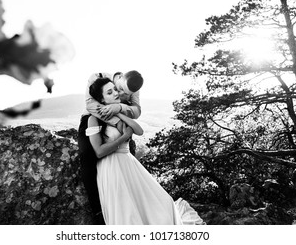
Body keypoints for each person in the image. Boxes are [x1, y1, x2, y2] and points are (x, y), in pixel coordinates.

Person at [86, 77, 204, 225]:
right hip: (112, 168)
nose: (116, 93)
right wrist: (124, 138)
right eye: (109, 92)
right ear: (101, 99)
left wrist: (119, 112)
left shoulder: (119, 114)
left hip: (128, 164)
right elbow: (99, 151)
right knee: (127, 214)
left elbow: (139, 130)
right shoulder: (93, 119)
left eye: (115, 89)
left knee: (163, 202)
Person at [77, 71, 143, 224]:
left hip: (118, 116)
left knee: (127, 152)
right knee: (87, 156)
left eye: (124, 93)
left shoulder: (133, 88)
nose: (119, 93)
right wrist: (116, 120)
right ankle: (97, 210)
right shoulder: (97, 78)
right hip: (95, 116)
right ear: (120, 78)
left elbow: (137, 111)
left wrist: (119, 107)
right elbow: (90, 104)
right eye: (117, 89)